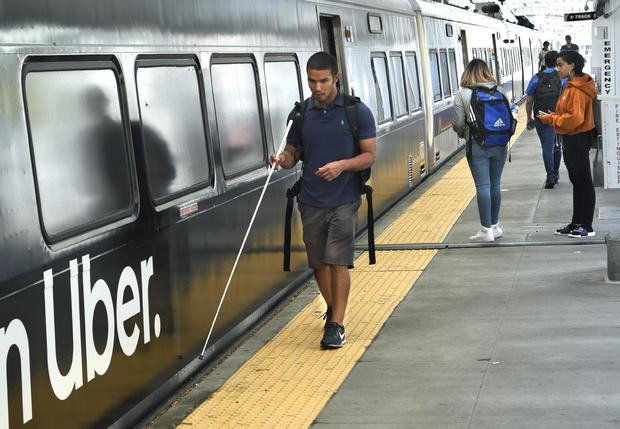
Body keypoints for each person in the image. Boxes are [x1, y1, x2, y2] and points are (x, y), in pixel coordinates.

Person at [269, 52, 376, 348]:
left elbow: (369, 155)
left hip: (345, 198)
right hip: (311, 199)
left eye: (323, 81)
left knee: (337, 260)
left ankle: (337, 325)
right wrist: (282, 159)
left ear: (336, 78)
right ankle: (333, 309)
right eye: (312, 81)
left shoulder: (358, 112)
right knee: (318, 262)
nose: (317, 87)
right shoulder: (301, 115)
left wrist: (342, 165)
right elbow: (293, 155)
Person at [539, 50, 597, 237]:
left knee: (583, 181)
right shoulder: (570, 86)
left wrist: (551, 119)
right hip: (572, 138)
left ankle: (586, 226)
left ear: (572, 65)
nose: (557, 69)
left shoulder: (577, 89)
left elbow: (575, 119)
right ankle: (576, 223)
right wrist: (554, 116)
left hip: (578, 137)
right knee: (577, 181)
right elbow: (568, 114)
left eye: (560, 64)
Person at [452, 59, 509, 242]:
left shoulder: (463, 93)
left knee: (483, 186)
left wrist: (463, 133)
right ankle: (495, 226)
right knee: (495, 184)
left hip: (477, 144)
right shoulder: (499, 91)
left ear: (467, 73)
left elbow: (458, 123)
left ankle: (486, 230)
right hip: (500, 144)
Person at [525, 50, 566, 189]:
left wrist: (529, 118)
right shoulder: (563, 78)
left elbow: (529, 101)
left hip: (541, 116)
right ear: (557, 62)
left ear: (544, 62)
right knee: (557, 145)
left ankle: (549, 175)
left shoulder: (536, 78)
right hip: (558, 116)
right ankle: (555, 173)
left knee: (546, 147)